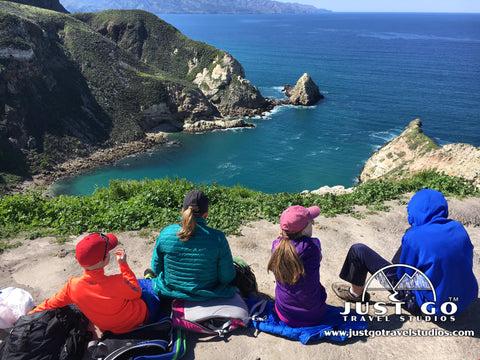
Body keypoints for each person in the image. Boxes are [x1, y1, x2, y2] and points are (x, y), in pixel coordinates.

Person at [332, 189, 478, 316]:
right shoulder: (458, 228)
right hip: (464, 301)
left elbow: (404, 278)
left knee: (359, 250)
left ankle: (355, 294)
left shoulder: (414, 237)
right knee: (415, 239)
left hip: (430, 308)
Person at [28, 233, 152, 334]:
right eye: (108, 252)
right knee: (147, 287)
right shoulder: (117, 281)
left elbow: (50, 304)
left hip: (110, 330)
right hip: (139, 319)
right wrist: (124, 265)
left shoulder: (72, 286)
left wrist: (28, 315)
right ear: (105, 260)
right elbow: (136, 293)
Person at [150, 190, 237, 301]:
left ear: (183, 211)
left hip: (171, 293)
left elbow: (156, 268)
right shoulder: (218, 238)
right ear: (206, 213)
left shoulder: (166, 233)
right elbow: (227, 278)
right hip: (207, 295)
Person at [267, 205, 328, 327]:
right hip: (313, 316)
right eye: (311, 222)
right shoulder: (313, 246)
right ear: (304, 230)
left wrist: (282, 239)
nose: (312, 225)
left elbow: (288, 246)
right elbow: (318, 258)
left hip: (284, 315)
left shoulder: (276, 246)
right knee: (320, 291)